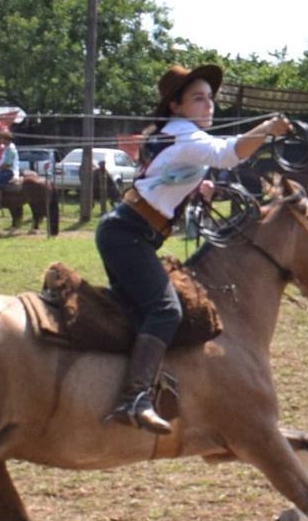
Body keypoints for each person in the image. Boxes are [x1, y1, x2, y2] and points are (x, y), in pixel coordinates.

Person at [95, 62, 291, 434]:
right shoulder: (185, 134)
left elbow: (164, 174)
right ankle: (135, 397)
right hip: (129, 235)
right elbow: (229, 154)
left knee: (141, 312)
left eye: (210, 99)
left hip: (127, 233)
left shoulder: (174, 134)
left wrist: (194, 188)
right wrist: (266, 129)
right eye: (198, 99)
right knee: (165, 310)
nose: (208, 106)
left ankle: (135, 382)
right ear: (176, 106)